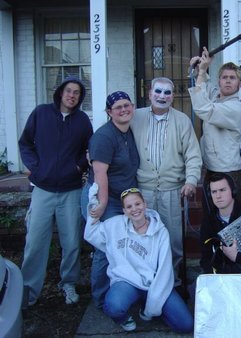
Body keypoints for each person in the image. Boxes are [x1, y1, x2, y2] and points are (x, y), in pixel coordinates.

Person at [18, 76, 93, 306]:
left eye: (77, 93)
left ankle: (68, 283)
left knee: (71, 242)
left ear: (80, 97)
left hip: (70, 191)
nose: (72, 95)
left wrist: (78, 166)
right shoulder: (40, 114)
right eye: (69, 91)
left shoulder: (82, 121)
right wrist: (35, 167)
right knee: (35, 242)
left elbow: (88, 149)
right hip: (43, 190)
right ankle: (28, 291)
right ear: (60, 92)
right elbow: (25, 144)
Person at [84, 187, 194, 333]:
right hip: (126, 282)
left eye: (137, 204)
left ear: (145, 204)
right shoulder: (115, 225)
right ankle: (124, 318)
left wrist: (151, 309)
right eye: (129, 206)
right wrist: (93, 204)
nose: (134, 209)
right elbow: (91, 234)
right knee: (113, 306)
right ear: (124, 211)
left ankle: (148, 305)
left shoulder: (160, 232)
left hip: (154, 283)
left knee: (186, 325)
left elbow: (164, 271)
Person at [131, 77, 202, 286]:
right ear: (150, 92)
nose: (162, 96)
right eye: (158, 91)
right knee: (144, 237)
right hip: (143, 191)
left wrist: (191, 180)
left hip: (173, 190)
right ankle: (147, 280)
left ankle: (173, 279)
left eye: (167, 93)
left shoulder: (182, 121)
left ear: (172, 96)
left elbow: (193, 154)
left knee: (173, 239)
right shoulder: (135, 117)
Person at [80, 91, 140, 308]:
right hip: (108, 199)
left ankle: (121, 292)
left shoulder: (129, 131)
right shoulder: (104, 137)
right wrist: (103, 203)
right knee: (105, 248)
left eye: (127, 105)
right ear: (109, 112)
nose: (124, 110)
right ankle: (101, 298)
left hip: (124, 198)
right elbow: (100, 174)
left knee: (123, 247)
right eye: (118, 107)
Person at [188, 47, 241, 199]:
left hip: (229, 173)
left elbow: (203, 108)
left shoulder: (235, 108)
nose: (227, 80)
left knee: (230, 220)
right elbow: (205, 85)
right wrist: (199, 67)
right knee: (212, 218)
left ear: (239, 84)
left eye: (232, 78)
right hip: (211, 170)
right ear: (219, 81)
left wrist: (201, 72)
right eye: (224, 77)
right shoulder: (216, 97)